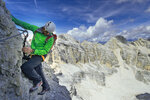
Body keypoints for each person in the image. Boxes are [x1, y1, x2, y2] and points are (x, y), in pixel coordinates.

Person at [11, 15, 56, 95]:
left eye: (48, 32)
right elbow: (23, 24)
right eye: (45, 30)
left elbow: (45, 51)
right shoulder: (36, 29)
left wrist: (32, 50)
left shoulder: (50, 38)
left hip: (40, 55)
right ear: (44, 27)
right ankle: (46, 87)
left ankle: (38, 80)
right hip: (33, 53)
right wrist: (10, 17)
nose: (45, 32)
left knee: (26, 67)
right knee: (38, 69)